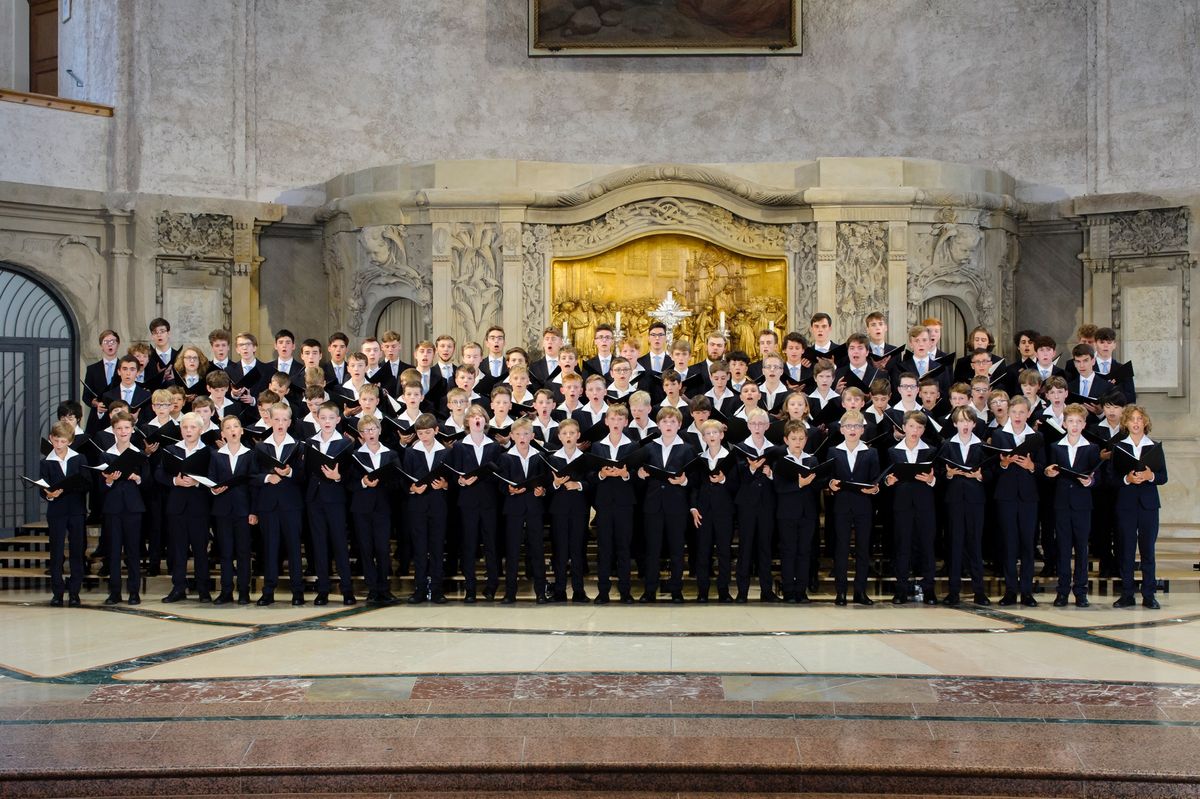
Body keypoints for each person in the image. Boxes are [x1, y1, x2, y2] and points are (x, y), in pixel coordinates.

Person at [637, 407, 696, 603]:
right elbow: (640, 476)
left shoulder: (687, 449)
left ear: (679, 425)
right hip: (653, 506)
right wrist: (640, 475)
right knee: (652, 550)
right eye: (664, 422)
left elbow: (694, 479)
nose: (668, 425)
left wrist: (685, 482)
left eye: (672, 422)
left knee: (677, 550)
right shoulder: (649, 448)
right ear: (658, 425)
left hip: (676, 506)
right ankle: (649, 590)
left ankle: (676, 589)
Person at [1044, 403, 1101, 607]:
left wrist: (1090, 481)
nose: (1074, 425)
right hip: (1061, 504)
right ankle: (1062, 591)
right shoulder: (1056, 447)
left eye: (1078, 421)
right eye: (1071, 421)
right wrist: (1049, 473)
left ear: (1084, 424)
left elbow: (1097, 477)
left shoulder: (1091, 448)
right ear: (1064, 423)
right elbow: (1050, 473)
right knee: (1064, 548)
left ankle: (1081, 592)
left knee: (1082, 549)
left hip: (1082, 505)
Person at [251, 401, 307, 606]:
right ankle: (268, 591)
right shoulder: (260, 447)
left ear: (290, 421)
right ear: (270, 420)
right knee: (270, 549)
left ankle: (297, 591)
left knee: (293, 548)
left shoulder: (299, 446)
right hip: (268, 505)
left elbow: (304, 476)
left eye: (284, 419)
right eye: (277, 419)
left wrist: (290, 472)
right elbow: (252, 476)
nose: (280, 423)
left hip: (291, 504)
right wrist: (267, 478)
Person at [991, 395, 1045, 607]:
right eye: (1014, 412)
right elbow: (993, 469)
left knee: (1027, 545)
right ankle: (1011, 591)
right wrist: (1004, 464)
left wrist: (1031, 466)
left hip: (1029, 497)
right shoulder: (999, 435)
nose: (1018, 416)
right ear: (1009, 413)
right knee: (1009, 545)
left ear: (1028, 414)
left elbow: (1044, 467)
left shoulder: (1037, 437)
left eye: (1022, 412)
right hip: (1006, 496)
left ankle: (1027, 591)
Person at [1112, 405, 1168, 609]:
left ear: (1145, 422)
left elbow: (1163, 477)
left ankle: (1149, 595)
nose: (1135, 422)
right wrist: (1127, 479)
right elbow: (1111, 478)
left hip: (1148, 506)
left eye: (1139, 419)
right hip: (1126, 505)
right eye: (1131, 419)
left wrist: (1149, 476)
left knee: (1147, 552)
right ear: (1126, 423)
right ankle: (1127, 594)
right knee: (1126, 550)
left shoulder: (1153, 447)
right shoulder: (1119, 447)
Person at [156, 412, 213, 603]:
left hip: (199, 507)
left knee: (200, 549)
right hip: (177, 506)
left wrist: (197, 482)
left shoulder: (209, 451)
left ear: (201, 429)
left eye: (193, 427)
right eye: (185, 427)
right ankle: (178, 587)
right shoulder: (171, 450)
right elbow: (158, 474)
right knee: (178, 549)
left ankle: (203, 588)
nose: (188, 431)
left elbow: (215, 477)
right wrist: (175, 480)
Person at [937, 407, 991, 606]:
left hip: (976, 501)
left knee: (975, 545)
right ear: (955, 424)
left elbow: (991, 473)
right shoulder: (948, 446)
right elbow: (940, 473)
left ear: (974, 424)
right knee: (955, 545)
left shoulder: (982, 447)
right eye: (961, 421)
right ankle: (953, 592)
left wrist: (980, 476)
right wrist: (949, 474)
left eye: (968, 421)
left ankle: (979, 592)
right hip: (954, 501)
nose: (965, 425)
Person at [449, 403, 502, 603]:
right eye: (473, 417)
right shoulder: (460, 446)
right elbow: (453, 473)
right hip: (468, 502)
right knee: (469, 544)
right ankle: (470, 588)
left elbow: (498, 475)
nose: (477, 419)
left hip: (489, 501)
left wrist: (479, 478)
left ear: (485, 421)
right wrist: (460, 480)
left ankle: (491, 586)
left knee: (491, 545)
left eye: (480, 416)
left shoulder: (494, 446)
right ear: (468, 422)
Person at [884, 411, 938, 605]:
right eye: (912, 426)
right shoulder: (893, 451)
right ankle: (901, 589)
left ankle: (929, 589)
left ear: (924, 430)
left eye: (920, 427)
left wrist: (932, 480)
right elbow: (885, 477)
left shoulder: (931, 451)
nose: (915, 430)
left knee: (926, 546)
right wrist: (888, 481)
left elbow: (937, 478)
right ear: (904, 427)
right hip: (902, 505)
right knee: (902, 546)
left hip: (925, 505)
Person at [827, 409, 880, 606]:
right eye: (848, 426)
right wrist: (831, 484)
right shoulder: (834, 451)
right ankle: (840, 592)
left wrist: (874, 489)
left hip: (863, 506)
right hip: (841, 506)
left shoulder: (870, 452)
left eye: (857, 426)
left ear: (862, 430)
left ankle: (860, 592)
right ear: (841, 429)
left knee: (863, 549)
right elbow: (829, 476)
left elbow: (875, 479)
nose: (852, 429)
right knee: (841, 548)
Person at [306, 401, 356, 606]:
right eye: (323, 418)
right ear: (317, 419)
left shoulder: (345, 444)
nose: (327, 421)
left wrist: (338, 476)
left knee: (339, 543)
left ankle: (347, 589)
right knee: (319, 544)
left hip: (335, 498)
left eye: (331, 418)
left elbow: (351, 474)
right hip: (315, 499)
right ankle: (323, 589)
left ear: (338, 419)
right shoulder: (309, 442)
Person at [349, 414, 401, 605]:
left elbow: (398, 481)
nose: (369, 433)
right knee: (366, 548)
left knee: (382, 548)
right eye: (365, 430)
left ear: (379, 430)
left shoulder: (391, 454)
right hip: (362, 508)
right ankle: (372, 589)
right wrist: (363, 482)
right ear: (360, 434)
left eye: (373, 429)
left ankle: (384, 588)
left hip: (383, 507)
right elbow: (349, 483)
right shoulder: (355, 455)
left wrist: (384, 481)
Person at [97, 411, 147, 606]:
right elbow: (99, 486)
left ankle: (134, 591)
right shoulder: (106, 454)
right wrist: (108, 481)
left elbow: (148, 483)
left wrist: (138, 478)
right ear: (113, 431)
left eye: (126, 428)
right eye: (119, 428)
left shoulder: (139, 454)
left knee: (133, 550)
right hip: (113, 508)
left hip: (134, 507)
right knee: (114, 551)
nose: (123, 431)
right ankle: (114, 592)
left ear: (132, 430)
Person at [497, 417, 549, 603]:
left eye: (526, 434)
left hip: (534, 508)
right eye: (518, 434)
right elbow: (501, 484)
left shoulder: (540, 456)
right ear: (511, 436)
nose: (522, 437)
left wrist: (541, 490)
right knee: (512, 551)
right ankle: (510, 592)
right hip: (514, 508)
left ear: (532, 436)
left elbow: (544, 482)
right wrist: (509, 489)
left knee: (537, 550)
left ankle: (541, 592)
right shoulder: (505, 457)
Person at [402, 413, 451, 604]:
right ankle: (419, 589)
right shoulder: (411, 452)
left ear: (436, 431)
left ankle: (437, 590)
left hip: (439, 504)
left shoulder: (445, 452)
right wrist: (412, 487)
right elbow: (405, 478)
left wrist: (445, 485)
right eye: (420, 433)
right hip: (418, 505)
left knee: (437, 547)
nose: (424, 436)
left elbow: (452, 479)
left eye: (428, 432)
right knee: (420, 548)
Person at [590, 404, 638, 604]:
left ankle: (625, 591)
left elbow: (638, 476)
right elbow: (591, 475)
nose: (616, 423)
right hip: (604, 504)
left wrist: (625, 474)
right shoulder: (597, 446)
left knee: (624, 548)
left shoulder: (633, 446)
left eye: (620, 419)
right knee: (604, 548)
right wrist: (602, 474)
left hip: (625, 504)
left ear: (626, 422)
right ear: (606, 421)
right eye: (613, 419)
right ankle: (603, 591)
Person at [39, 421, 89, 606]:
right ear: (51, 439)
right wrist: (49, 495)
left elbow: (87, 483)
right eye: (56, 440)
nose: (59, 445)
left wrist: (70, 488)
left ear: (70, 441)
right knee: (57, 552)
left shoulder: (79, 458)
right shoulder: (46, 462)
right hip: (57, 511)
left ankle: (74, 592)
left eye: (63, 441)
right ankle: (57, 592)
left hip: (76, 510)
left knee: (77, 551)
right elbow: (42, 487)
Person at [772, 420, 823, 604]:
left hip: (807, 512)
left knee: (804, 551)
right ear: (786, 439)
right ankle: (788, 590)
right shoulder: (781, 461)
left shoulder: (812, 460)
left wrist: (820, 480)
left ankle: (801, 590)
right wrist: (799, 484)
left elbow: (817, 485)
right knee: (788, 551)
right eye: (794, 438)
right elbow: (778, 487)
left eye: (801, 438)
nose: (798, 442)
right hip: (787, 513)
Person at [689, 419, 738, 603]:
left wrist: (724, 480)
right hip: (703, 512)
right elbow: (694, 486)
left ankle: (723, 590)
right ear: (703, 437)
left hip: (724, 511)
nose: (711, 436)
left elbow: (737, 486)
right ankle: (703, 591)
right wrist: (693, 507)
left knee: (724, 552)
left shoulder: (730, 458)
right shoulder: (700, 459)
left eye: (714, 433)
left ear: (721, 435)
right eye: (707, 433)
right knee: (703, 551)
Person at [208, 415, 255, 605]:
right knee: (225, 552)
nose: (233, 430)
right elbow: (211, 479)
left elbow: (254, 486)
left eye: (236, 426)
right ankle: (226, 590)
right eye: (228, 428)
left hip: (243, 510)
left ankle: (244, 591)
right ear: (223, 433)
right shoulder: (216, 455)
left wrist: (254, 511)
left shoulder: (250, 454)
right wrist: (214, 488)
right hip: (223, 510)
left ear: (242, 431)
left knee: (244, 552)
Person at [546, 418, 591, 603]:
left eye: (572, 433)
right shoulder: (552, 459)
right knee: (560, 550)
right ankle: (559, 590)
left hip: (580, 509)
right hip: (559, 510)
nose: (569, 436)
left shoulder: (585, 459)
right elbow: (545, 488)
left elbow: (592, 481)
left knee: (578, 549)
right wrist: (555, 484)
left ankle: (579, 590)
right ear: (559, 436)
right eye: (565, 433)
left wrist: (579, 484)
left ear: (578, 435)